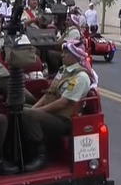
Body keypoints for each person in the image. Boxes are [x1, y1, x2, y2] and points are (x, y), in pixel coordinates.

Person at [20, 40, 96, 172]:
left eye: (66, 53)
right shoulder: (63, 71)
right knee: (21, 109)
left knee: (28, 114)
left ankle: (41, 156)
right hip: (52, 114)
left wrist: (37, 111)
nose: (62, 55)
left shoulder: (81, 77)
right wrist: (34, 108)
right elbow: (49, 94)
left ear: (75, 56)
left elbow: (63, 103)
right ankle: (24, 151)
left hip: (64, 120)